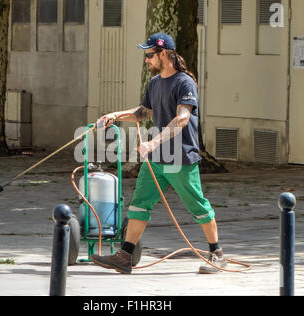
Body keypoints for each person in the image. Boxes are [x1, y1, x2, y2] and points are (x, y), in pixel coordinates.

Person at [91, 32, 226, 274]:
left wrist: (153, 143)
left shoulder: (185, 82)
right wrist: (115, 115)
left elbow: (182, 118)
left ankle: (217, 254)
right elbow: (143, 111)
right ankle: (125, 256)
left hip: (180, 157)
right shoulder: (154, 83)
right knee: (140, 205)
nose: (146, 60)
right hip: (156, 161)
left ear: (164, 54)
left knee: (198, 206)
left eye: (149, 55)